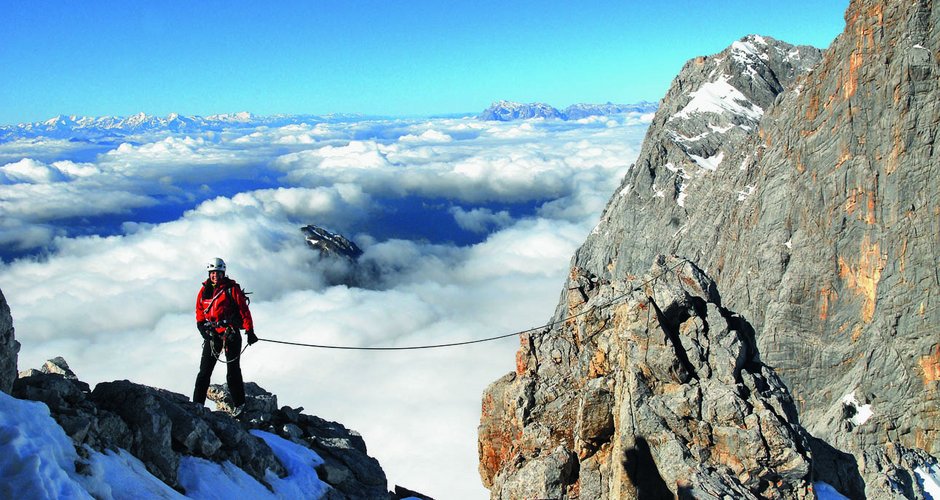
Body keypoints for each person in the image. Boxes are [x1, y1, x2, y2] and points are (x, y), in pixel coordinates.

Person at [193, 257, 258, 416]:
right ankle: (196, 406)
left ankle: (239, 405)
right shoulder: (204, 290)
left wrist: (250, 331)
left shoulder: (231, 289)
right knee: (204, 373)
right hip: (213, 335)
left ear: (223, 273)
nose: (215, 275)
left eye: (218, 272)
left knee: (233, 371)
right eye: (213, 273)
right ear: (210, 273)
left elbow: (244, 311)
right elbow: (199, 311)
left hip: (231, 334)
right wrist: (201, 327)